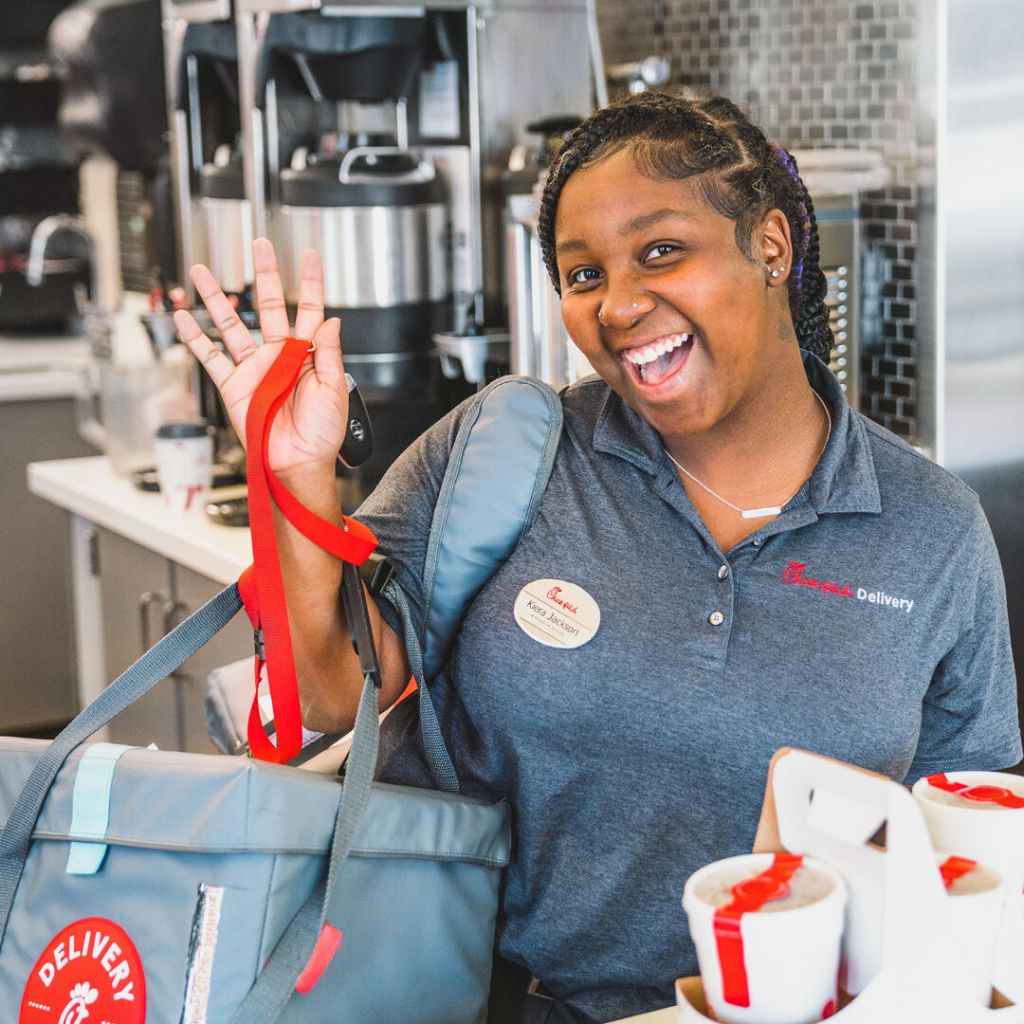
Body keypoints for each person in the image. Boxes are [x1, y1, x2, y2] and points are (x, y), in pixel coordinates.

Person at [173, 92, 1021, 1023]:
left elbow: (974, 846)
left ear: (771, 247)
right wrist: (295, 479)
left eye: (662, 251)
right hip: (495, 1004)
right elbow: (333, 698)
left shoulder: (931, 528)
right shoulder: (509, 454)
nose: (618, 305)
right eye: (582, 275)